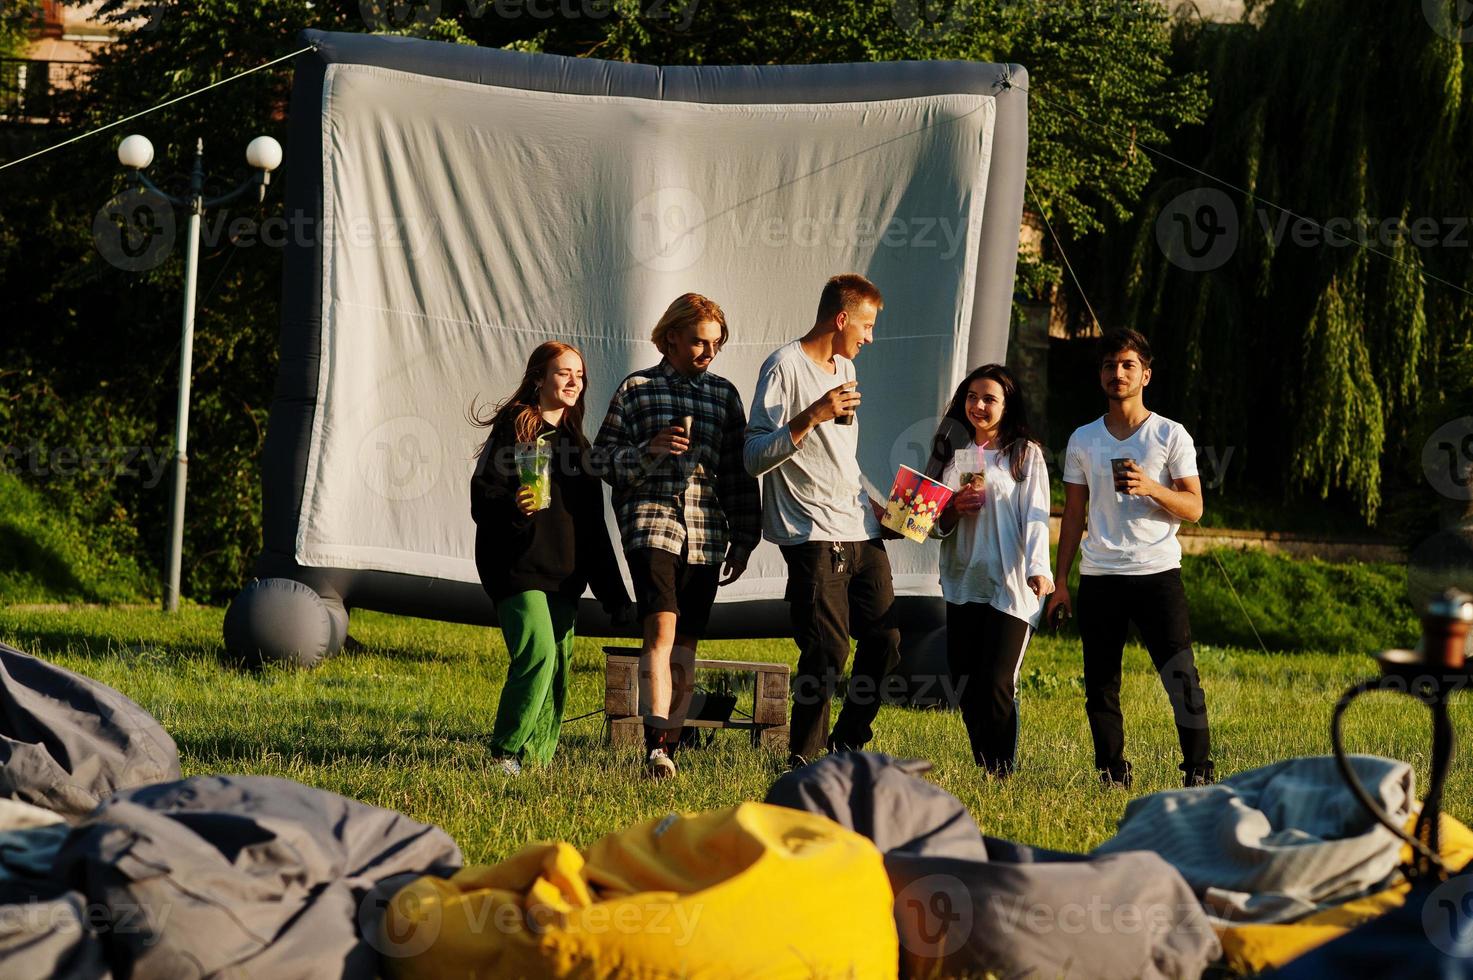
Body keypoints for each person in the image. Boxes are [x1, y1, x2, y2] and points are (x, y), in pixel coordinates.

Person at [594, 293, 761, 779]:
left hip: (707, 529)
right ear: (670, 338)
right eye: (697, 342)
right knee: (661, 629)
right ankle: (655, 744)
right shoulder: (637, 388)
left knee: (686, 641)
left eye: (716, 344)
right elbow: (602, 459)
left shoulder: (724, 395)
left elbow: (736, 471)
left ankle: (671, 740)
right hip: (651, 522)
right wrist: (649, 450)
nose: (708, 353)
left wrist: (746, 535)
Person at [1044, 328, 1214, 789]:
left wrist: (1152, 487)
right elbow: (1073, 514)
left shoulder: (1169, 434)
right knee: (1100, 685)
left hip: (1158, 573)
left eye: (1127, 365)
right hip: (1100, 576)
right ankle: (1112, 775)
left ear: (1146, 375)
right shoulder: (1083, 439)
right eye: (1108, 366)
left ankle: (1199, 773)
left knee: (1181, 678)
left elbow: (1195, 508)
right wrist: (1061, 582)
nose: (1116, 373)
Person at [744, 273, 902, 766]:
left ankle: (848, 742)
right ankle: (803, 760)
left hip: (860, 528)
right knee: (827, 651)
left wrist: (875, 505)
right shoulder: (783, 367)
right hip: (811, 534)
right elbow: (752, 456)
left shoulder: (846, 369)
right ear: (841, 318)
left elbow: (841, 459)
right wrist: (811, 414)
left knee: (886, 638)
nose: (870, 337)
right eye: (867, 325)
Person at [469, 341, 632, 775]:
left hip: (565, 576)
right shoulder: (515, 429)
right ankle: (504, 752)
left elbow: (593, 530)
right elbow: (483, 499)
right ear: (539, 378)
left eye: (579, 375)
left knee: (559, 667)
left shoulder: (580, 446)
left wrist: (615, 595)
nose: (574, 381)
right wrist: (514, 506)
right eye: (564, 373)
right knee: (538, 653)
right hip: (516, 569)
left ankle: (537, 760)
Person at [926, 364, 1053, 777]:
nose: (978, 405)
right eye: (972, 397)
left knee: (997, 682)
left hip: (1010, 586)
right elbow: (931, 525)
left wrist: (1039, 569)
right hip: (963, 582)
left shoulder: (1024, 453)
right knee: (965, 682)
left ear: (1007, 404)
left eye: (989, 398)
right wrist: (951, 510)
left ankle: (1001, 771)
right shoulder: (953, 453)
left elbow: (1036, 516)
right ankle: (987, 766)